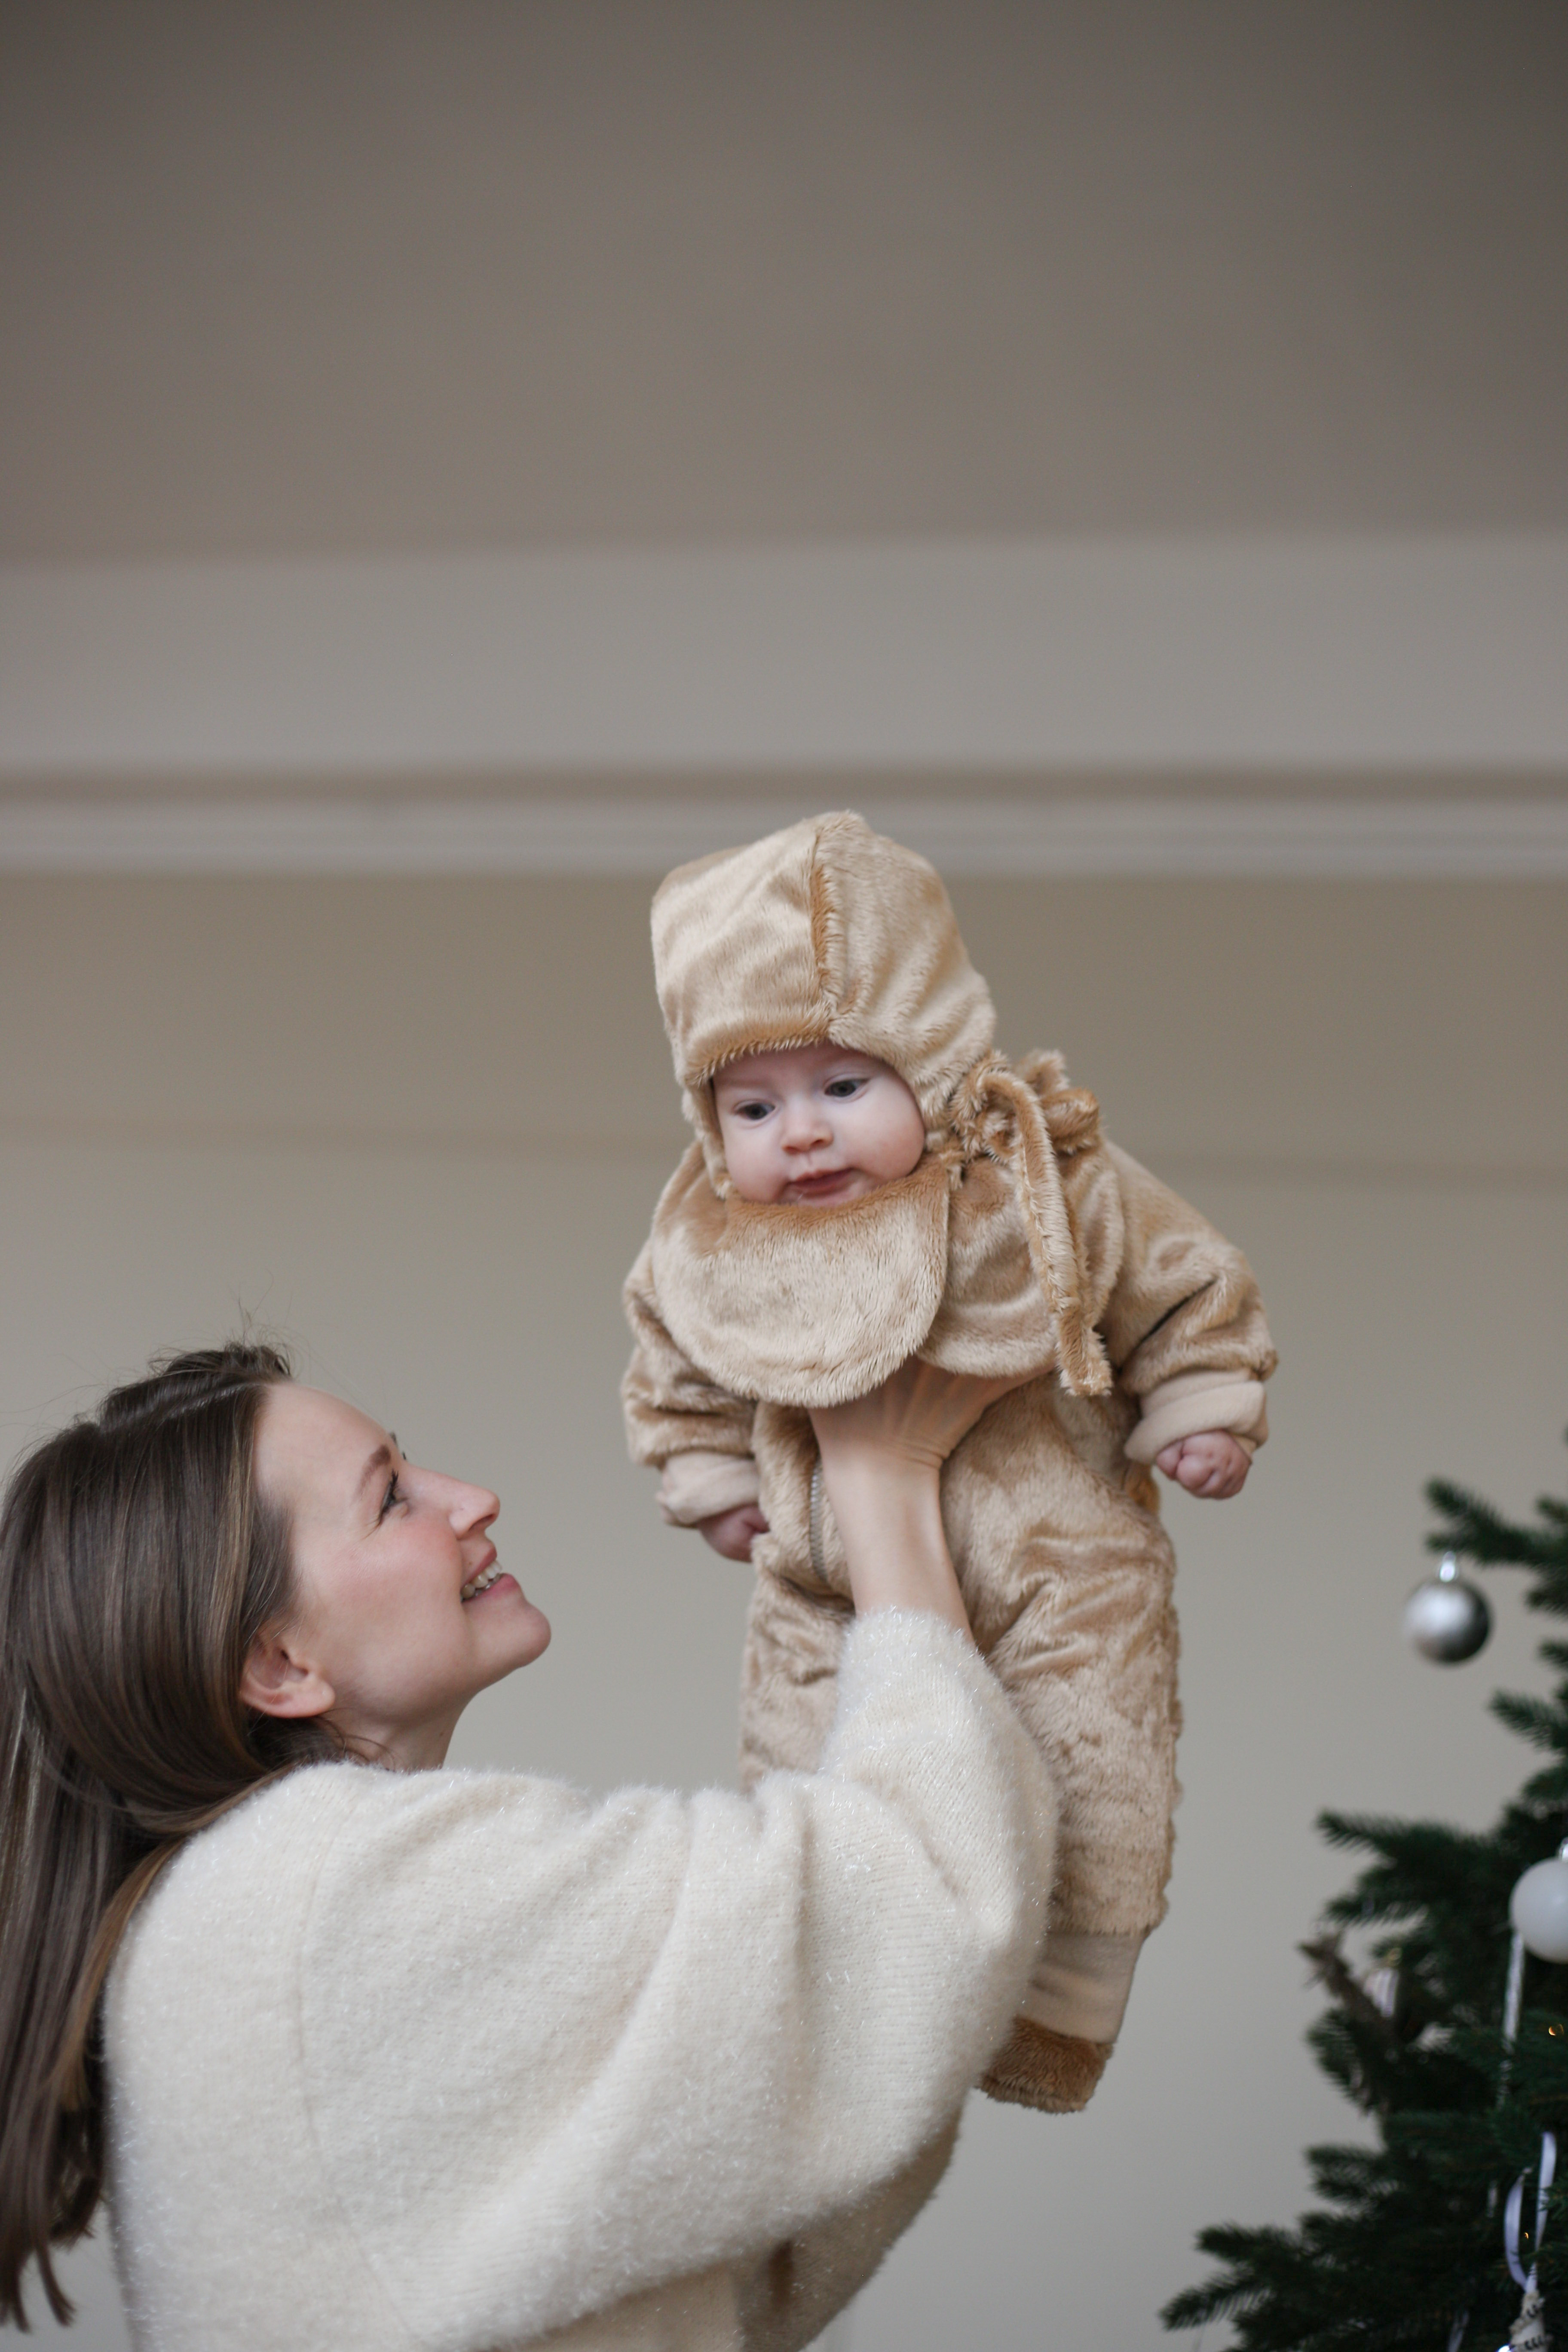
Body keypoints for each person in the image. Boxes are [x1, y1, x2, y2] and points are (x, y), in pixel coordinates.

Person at [0, 1340, 1052, 2350]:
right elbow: (907, 1921)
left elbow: (743, 2211)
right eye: (393, 1499)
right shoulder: (332, 1892)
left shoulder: (242, 1907)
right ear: (280, 1664)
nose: (471, 1498)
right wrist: (883, 1482)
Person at [623, 811, 1277, 2113]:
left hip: (1055, 1554)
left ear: (935, 1062)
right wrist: (713, 1480)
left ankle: (1055, 2012)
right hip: (827, 1584)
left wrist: (1203, 1398)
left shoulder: (1040, 1172)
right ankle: (835, 1998)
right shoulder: (711, 1240)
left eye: (844, 1089)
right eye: (753, 1107)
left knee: (1098, 1757)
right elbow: (671, 1356)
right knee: (802, 1769)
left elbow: (1176, 1278)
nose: (799, 1134)